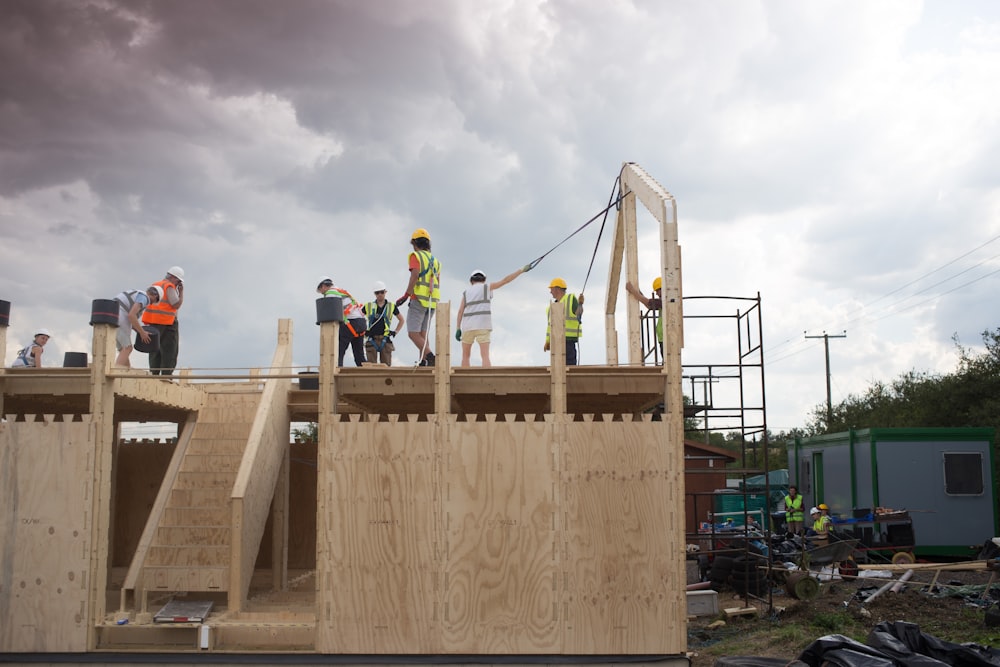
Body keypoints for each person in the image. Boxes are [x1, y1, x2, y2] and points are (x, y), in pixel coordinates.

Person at [455, 266, 527, 367]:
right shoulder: (487, 287)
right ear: (484, 279)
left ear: (471, 280)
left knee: (465, 356)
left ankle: (464, 379)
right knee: (485, 356)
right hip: (483, 325)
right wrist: (521, 271)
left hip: (468, 326)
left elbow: (460, 312)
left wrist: (458, 328)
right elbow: (506, 280)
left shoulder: (466, 293)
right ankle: (486, 380)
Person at [395, 228, 441, 366]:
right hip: (432, 301)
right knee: (423, 334)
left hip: (419, 299)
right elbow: (438, 281)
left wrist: (406, 295)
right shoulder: (436, 261)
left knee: (413, 333)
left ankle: (430, 356)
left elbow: (414, 276)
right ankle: (424, 361)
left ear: (415, 243)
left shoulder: (416, 256)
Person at [142, 266, 185, 375]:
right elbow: (176, 304)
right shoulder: (169, 287)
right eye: (178, 281)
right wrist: (181, 293)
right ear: (173, 278)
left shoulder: (155, 285)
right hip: (167, 323)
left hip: (152, 322)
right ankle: (166, 376)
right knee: (170, 350)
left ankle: (154, 374)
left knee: (154, 349)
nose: (178, 284)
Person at [317, 277, 367, 367]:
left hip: (350, 323)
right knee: (359, 354)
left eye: (320, 290)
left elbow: (329, 314)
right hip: (361, 323)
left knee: (338, 351)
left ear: (323, 286)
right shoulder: (341, 291)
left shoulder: (330, 294)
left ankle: (336, 373)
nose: (322, 293)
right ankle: (367, 373)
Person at [115, 285, 164, 369]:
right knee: (127, 348)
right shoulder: (144, 298)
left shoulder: (137, 294)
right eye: (155, 301)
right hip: (120, 316)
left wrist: (141, 331)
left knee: (123, 349)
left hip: (112, 315)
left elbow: (132, 321)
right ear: (155, 296)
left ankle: (127, 372)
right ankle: (115, 371)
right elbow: (131, 316)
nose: (151, 304)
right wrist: (142, 332)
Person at [543, 277, 584, 365]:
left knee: (569, 367)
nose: (550, 292)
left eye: (551, 289)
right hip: (556, 342)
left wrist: (580, 304)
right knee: (557, 367)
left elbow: (578, 313)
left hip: (568, 340)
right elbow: (549, 326)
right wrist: (548, 341)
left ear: (557, 289)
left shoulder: (570, 299)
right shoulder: (551, 307)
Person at [364, 281, 404, 365]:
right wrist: (363, 330)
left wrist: (395, 331)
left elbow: (401, 320)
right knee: (371, 369)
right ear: (374, 294)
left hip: (385, 339)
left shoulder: (391, 306)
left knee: (386, 370)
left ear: (385, 292)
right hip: (372, 338)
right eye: (377, 292)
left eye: (381, 292)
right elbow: (359, 317)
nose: (379, 294)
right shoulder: (368, 306)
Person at [625, 276, 663, 357]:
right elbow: (649, 306)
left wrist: (632, 290)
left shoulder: (665, 300)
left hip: (666, 337)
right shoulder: (662, 302)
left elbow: (648, 302)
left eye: (657, 291)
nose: (656, 293)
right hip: (662, 338)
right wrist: (638, 292)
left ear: (662, 288)